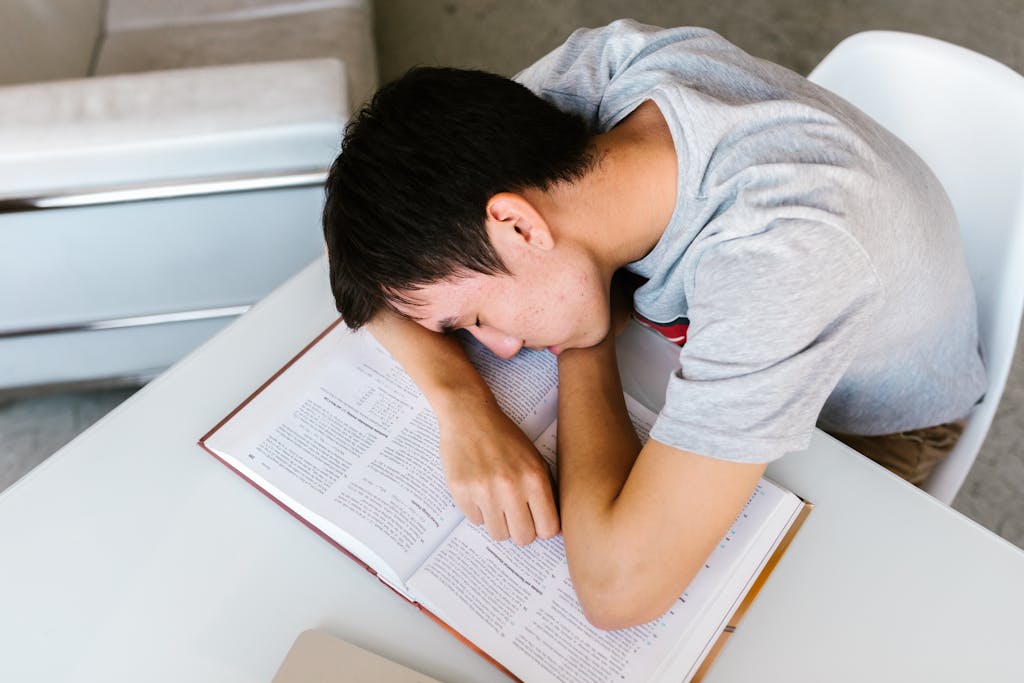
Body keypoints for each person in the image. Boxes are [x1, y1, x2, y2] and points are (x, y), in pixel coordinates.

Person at [321, 19, 987, 630]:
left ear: (519, 226)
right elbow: (361, 266)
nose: (492, 342)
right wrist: (462, 405)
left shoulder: (783, 253)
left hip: (865, 422)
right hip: (729, 335)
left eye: (473, 315)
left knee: (772, 631)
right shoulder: (585, 85)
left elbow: (616, 591)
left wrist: (582, 339)